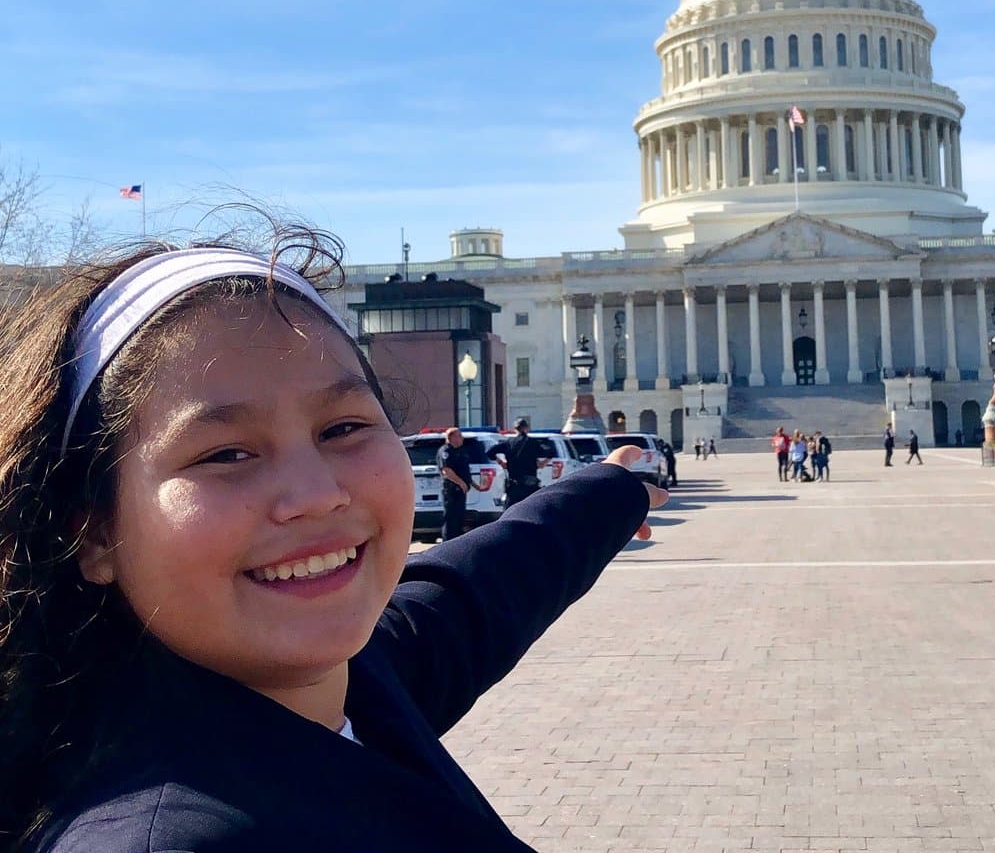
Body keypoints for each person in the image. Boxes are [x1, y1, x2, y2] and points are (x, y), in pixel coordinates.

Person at [0, 235, 667, 853]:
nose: (317, 494)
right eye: (227, 453)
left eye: (344, 428)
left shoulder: (344, 689)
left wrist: (612, 489)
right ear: (93, 532)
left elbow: (482, 589)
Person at [437, 427, 477, 541]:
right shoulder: (446, 451)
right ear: (451, 438)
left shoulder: (461, 451)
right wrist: (461, 483)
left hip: (461, 490)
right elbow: (447, 471)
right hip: (451, 490)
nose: (462, 438)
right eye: (459, 435)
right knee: (451, 518)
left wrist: (475, 485)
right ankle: (448, 543)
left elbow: (464, 472)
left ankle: (456, 542)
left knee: (459, 518)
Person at [499, 417, 548, 509]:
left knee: (511, 510)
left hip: (514, 485)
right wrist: (543, 463)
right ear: (526, 428)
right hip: (530, 484)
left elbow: (490, 452)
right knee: (530, 510)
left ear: (515, 429)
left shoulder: (509, 442)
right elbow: (550, 451)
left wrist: (501, 462)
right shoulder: (532, 442)